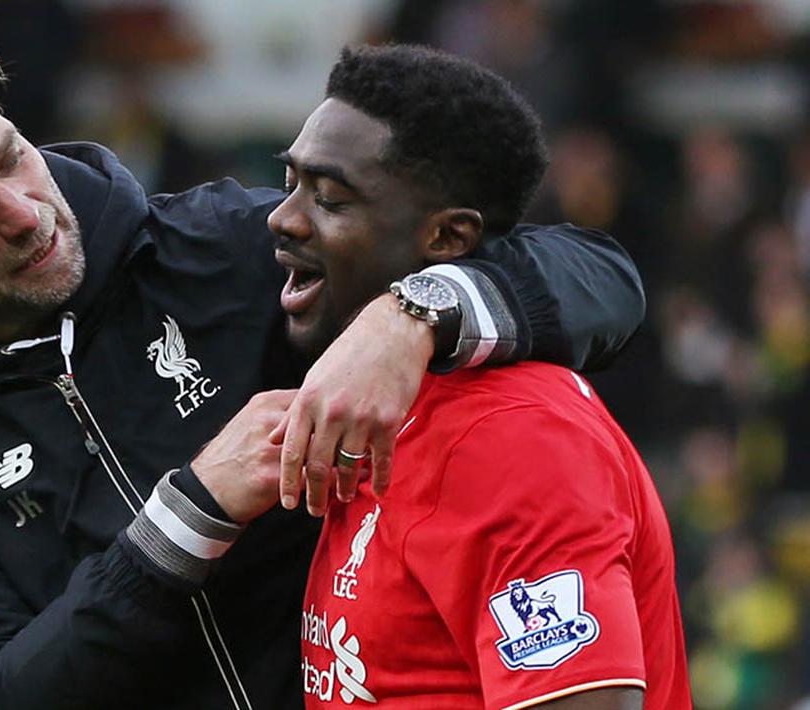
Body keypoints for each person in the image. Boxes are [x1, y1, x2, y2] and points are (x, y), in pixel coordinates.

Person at [0, 12, 646, 710]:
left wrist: (411, 312)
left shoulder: (225, 244)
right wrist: (190, 514)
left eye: (9, 158)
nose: (24, 211)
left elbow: (599, 280)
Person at [201, 45, 686, 708]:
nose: (280, 218)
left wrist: (404, 313)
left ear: (447, 239)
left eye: (330, 199)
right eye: (290, 184)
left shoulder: (515, 438)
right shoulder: (374, 408)